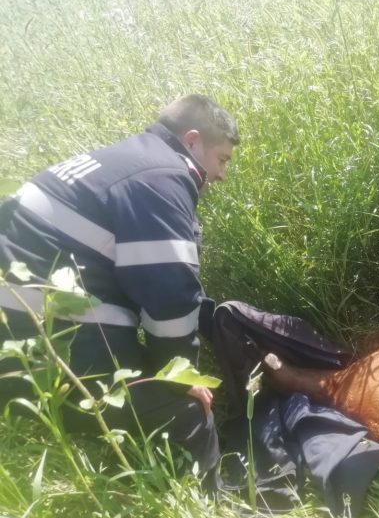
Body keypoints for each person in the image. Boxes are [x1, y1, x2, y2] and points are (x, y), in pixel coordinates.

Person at [0, 94, 239, 480]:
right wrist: (179, 378)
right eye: (222, 159)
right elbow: (170, 299)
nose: (222, 174)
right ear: (193, 140)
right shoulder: (162, 177)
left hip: (17, 327)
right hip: (40, 339)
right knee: (186, 411)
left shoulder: (126, 159)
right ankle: (204, 500)